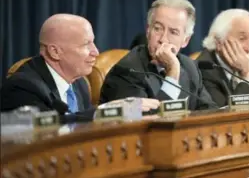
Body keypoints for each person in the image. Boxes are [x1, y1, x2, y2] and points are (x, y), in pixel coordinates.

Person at [0, 14, 160, 117]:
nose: (95, 52)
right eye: (86, 45)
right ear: (55, 52)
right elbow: (49, 132)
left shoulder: (80, 84)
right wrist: (105, 112)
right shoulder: (23, 87)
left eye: (93, 42)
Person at [100, 0, 217, 111]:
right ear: (148, 31)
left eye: (173, 32)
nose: (163, 39)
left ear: (185, 40)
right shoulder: (128, 70)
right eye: (157, 28)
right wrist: (172, 74)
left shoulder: (190, 67)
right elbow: (149, 123)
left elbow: (209, 111)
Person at [197, 9, 249, 107]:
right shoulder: (203, 69)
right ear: (219, 42)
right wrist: (248, 76)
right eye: (242, 39)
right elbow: (226, 117)